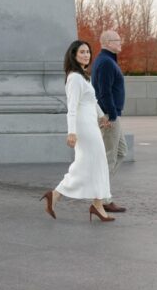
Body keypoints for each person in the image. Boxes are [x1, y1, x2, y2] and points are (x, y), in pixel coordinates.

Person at [40, 40, 116, 223]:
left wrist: (102, 117)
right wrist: (71, 132)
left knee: (97, 163)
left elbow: (92, 101)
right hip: (83, 127)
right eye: (82, 52)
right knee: (85, 163)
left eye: (88, 52)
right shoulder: (74, 78)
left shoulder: (83, 77)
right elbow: (72, 107)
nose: (86, 55)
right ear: (73, 55)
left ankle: (97, 204)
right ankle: (56, 194)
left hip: (91, 124)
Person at [91, 29, 127, 212]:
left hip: (111, 114)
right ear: (107, 43)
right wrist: (111, 115)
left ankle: (99, 192)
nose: (120, 43)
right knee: (110, 157)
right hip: (109, 116)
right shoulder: (105, 62)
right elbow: (104, 92)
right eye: (117, 40)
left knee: (121, 152)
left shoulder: (108, 60)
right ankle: (102, 199)